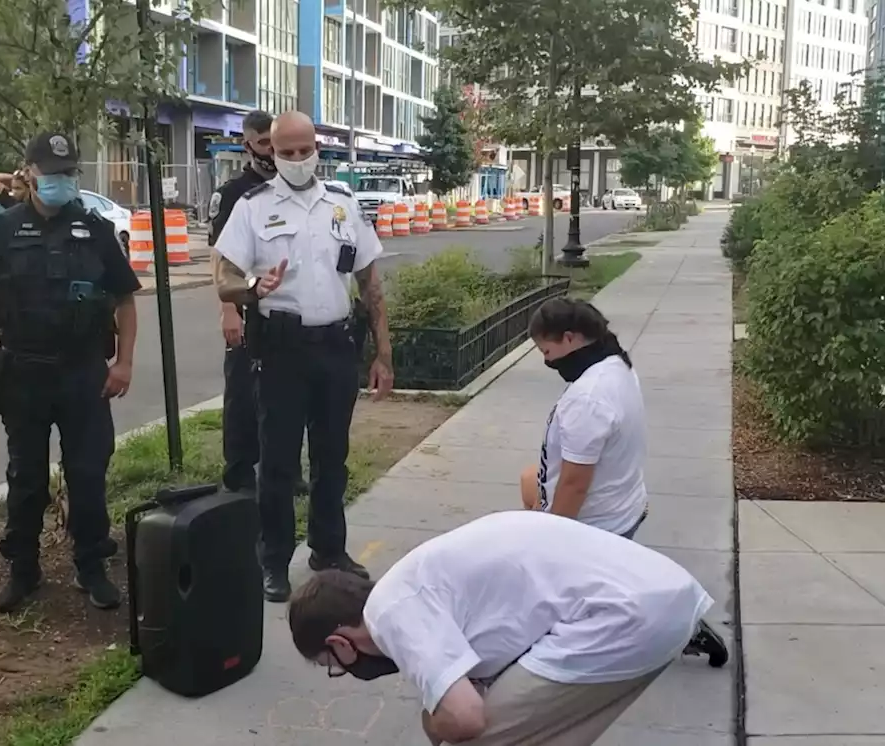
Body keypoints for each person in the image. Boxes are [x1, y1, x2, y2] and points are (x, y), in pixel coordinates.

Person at [288, 510, 715, 745]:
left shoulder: (389, 614)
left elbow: (466, 718)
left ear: (339, 642)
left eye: (334, 664)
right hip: (664, 600)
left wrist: (430, 721)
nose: (345, 670)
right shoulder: (415, 583)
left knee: (467, 737)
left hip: (621, 619)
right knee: (543, 731)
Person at [0, 131, 142, 614]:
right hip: (22, 373)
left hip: (84, 374)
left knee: (87, 475)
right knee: (26, 478)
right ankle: (23, 569)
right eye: (51, 173)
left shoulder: (95, 229)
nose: (60, 181)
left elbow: (124, 300)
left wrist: (123, 362)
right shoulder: (0, 231)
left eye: (67, 173)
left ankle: (91, 565)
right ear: (29, 173)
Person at [213, 110, 395, 602]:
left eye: (303, 150)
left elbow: (369, 283)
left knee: (332, 457)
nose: (295, 160)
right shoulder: (252, 206)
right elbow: (223, 276)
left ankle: (328, 549)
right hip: (281, 351)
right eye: (285, 151)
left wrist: (383, 353)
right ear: (270, 150)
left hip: (336, 346)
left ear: (318, 148)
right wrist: (253, 287)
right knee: (276, 461)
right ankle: (272, 559)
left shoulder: (343, 203)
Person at [520, 297, 727, 665]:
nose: (546, 360)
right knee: (526, 482)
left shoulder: (588, 399)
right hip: (623, 502)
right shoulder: (615, 365)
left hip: (596, 521)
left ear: (569, 339)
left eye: (546, 350)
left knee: (581, 601)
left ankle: (679, 627)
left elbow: (574, 486)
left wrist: (550, 541)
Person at [208, 110, 274, 493]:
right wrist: (228, 310)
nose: (270, 150)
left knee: (281, 395)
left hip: (282, 308)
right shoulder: (233, 193)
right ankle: (238, 471)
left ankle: (283, 469)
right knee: (242, 394)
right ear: (248, 144)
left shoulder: (289, 187)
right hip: (245, 307)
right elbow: (221, 260)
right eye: (263, 142)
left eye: (273, 141)